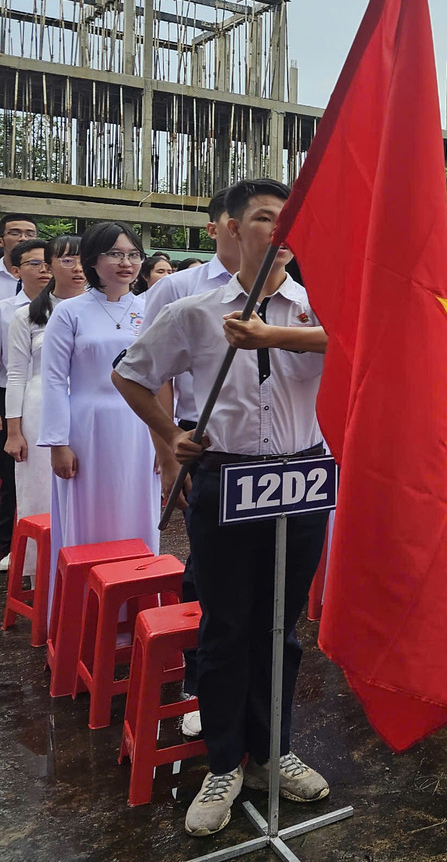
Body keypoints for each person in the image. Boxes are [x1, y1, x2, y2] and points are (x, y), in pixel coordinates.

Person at [112, 177, 332, 838]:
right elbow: (130, 372)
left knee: (284, 626)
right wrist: (169, 433)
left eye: (288, 221)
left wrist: (275, 336)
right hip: (228, 479)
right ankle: (223, 761)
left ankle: (272, 751)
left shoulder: (314, 309)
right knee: (227, 626)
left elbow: (363, 343)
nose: (280, 232)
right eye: (267, 218)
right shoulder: (195, 309)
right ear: (231, 229)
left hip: (302, 478)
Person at [141, 186, 238, 738]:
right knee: (206, 572)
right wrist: (168, 451)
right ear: (218, 228)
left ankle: (254, 695)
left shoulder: (297, 295)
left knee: (263, 581)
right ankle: (200, 683)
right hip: (206, 447)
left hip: (276, 457)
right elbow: (148, 372)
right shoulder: (180, 289)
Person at [38, 222, 159, 605]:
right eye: (115, 254)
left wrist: (165, 439)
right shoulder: (69, 312)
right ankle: (84, 613)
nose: (126, 263)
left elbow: (165, 377)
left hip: (140, 426)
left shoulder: (151, 309)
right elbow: (54, 380)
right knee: (87, 520)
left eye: (134, 254)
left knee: (138, 514)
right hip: (86, 428)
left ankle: (133, 611)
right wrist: (58, 442)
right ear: (93, 259)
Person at [6, 237, 83, 527]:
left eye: (81, 260)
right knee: (42, 491)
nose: (77, 268)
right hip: (39, 411)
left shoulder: (102, 309)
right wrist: (14, 432)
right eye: (67, 260)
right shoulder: (26, 315)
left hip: (88, 407)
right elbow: (16, 374)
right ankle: (41, 567)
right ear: (50, 267)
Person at [0, 239, 49, 571]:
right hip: (25, 403)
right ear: (15, 271)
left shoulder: (74, 308)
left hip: (82, 407)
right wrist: (13, 428)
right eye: (35, 264)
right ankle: (29, 558)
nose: (44, 269)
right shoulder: (13, 313)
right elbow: (14, 372)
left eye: (49, 262)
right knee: (30, 487)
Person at [0, 213, 39, 290]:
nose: (23, 238)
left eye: (30, 234)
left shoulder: (48, 274)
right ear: (1, 241)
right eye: (15, 234)